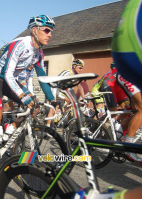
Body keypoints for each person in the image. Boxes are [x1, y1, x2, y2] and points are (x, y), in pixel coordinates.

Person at [74, 0, 142, 198]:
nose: (80, 67)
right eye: (78, 65)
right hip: (108, 84)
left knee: (129, 108)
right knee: (135, 108)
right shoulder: (107, 76)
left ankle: (122, 132)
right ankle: (125, 138)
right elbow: (85, 89)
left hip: (115, 82)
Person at [0, 15, 57, 177]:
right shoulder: (20, 45)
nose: (50, 34)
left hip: (11, 81)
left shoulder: (39, 53)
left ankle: (11, 128)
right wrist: (22, 94)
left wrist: (52, 99)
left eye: (51, 31)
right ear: (34, 30)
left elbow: (42, 78)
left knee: (34, 107)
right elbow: (7, 73)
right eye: (46, 30)